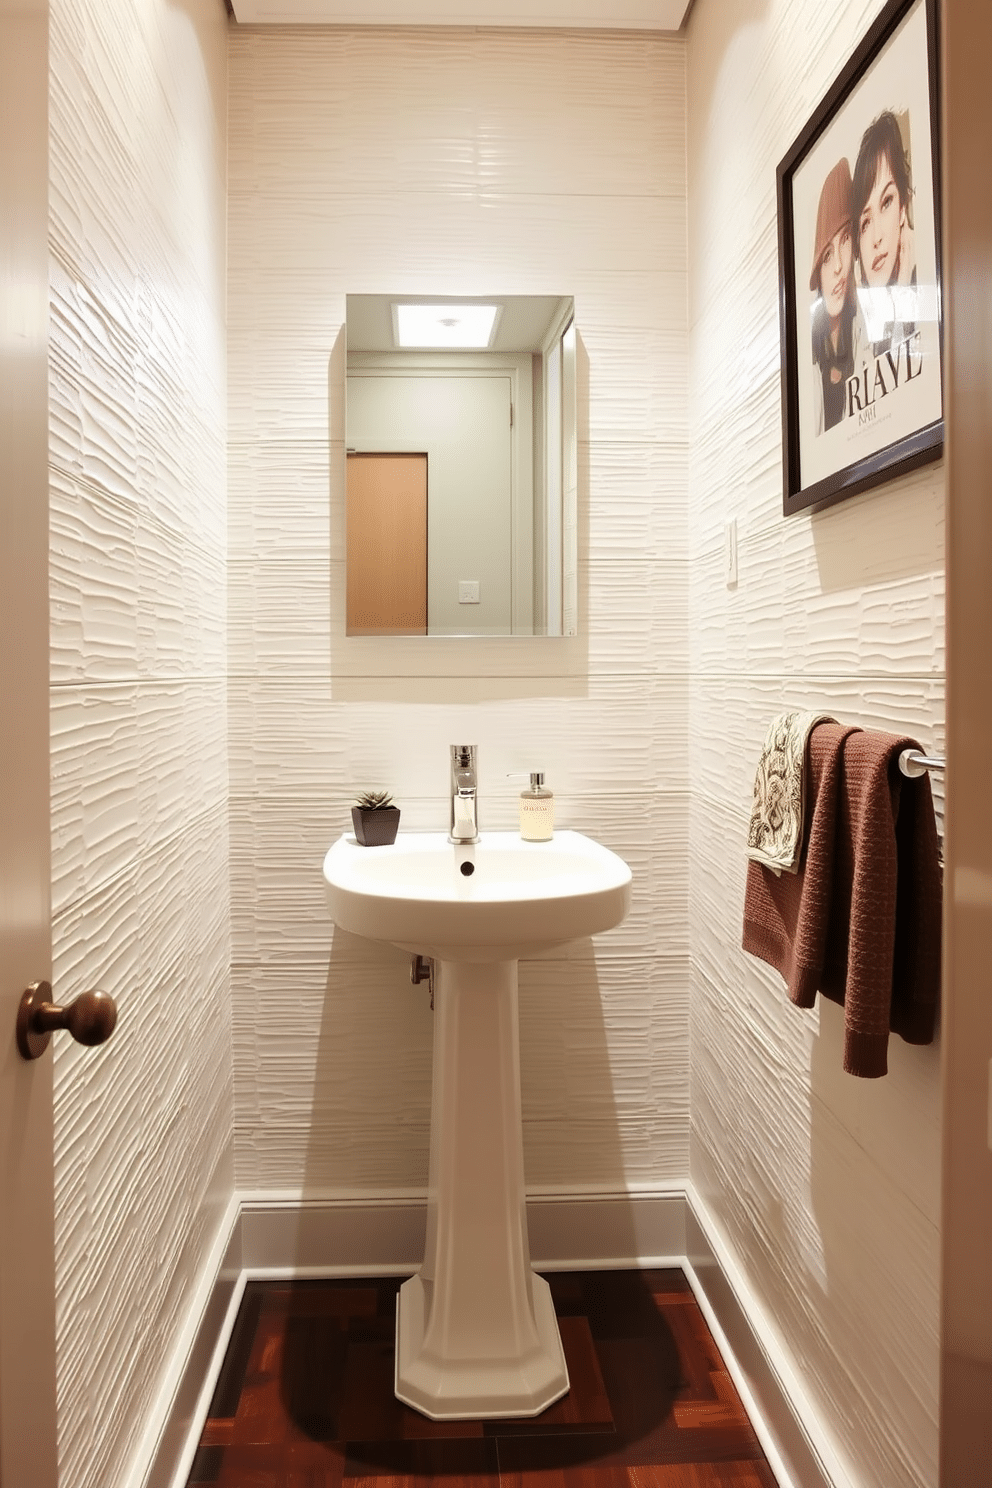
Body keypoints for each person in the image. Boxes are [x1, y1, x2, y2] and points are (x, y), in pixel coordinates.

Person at [851, 109, 917, 354]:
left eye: (887, 202)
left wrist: (902, 288)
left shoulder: (927, 297)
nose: (876, 237)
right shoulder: (861, 329)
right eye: (865, 223)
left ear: (903, 208)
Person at [809, 158, 864, 433]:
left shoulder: (863, 335)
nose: (840, 266)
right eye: (828, 256)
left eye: (845, 240)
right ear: (818, 271)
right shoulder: (810, 364)